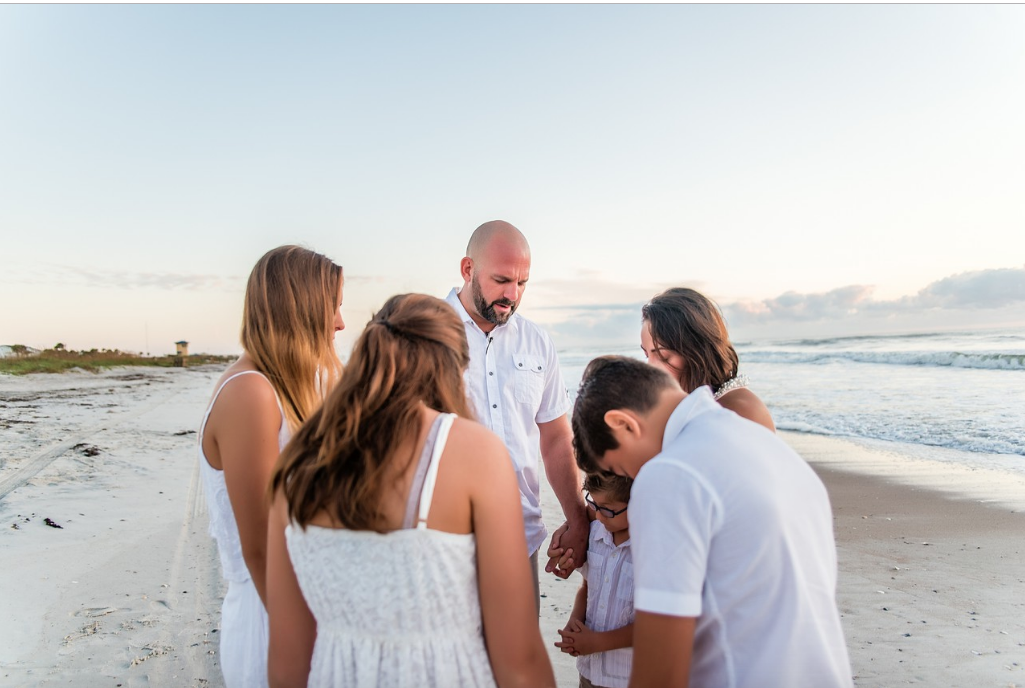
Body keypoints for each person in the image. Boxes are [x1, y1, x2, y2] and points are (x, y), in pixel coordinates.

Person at [265, 293, 555, 688]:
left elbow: (285, 666)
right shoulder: (474, 453)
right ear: (455, 367)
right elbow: (519, 660)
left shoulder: (298, 465)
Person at [572, 356, 852, 688]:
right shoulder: (768, 447)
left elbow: (660, 669)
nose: (632, 480)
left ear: (624, 424)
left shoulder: (670, 474)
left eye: (620, 468)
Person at [198, 245, 344, 688]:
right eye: (333, 308)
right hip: (271, 621)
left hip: (300, 607)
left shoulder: (280, 389)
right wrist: (302, 646)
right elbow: (262, 546)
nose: (340, 322)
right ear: (298, 309)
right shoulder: (250, 394)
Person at [445, 220, 589, 596]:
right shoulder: (426, 334)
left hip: (519, 537)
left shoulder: (538, 343)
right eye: (502, 280)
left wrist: (578, 520)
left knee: (517, 654)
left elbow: (556, 438)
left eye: (522, 283)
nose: (513, 294)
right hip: (443, 540)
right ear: (467, 269)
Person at [641, 287, 775, 432]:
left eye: (663, 357)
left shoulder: (738, 410)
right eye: (647, 355)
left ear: (697, 350)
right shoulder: (695, 404)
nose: (650, 367)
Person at [555, 472, 635, 688]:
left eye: (607, 510)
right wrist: (575, 622)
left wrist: (597, 642)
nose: (598, 516)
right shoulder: (596, 533)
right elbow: (587, 587)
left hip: (630, 677)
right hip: (589, 674)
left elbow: (653, 626)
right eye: (594, 505)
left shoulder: (651, 551)